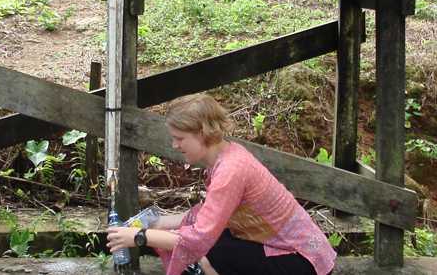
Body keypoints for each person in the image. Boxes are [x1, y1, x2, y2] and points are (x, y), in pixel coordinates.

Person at [105, 94, 337, 275]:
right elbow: (209, 215)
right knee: (208, 245)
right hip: (292, 250)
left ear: (202, 133)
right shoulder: (227, 155)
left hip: (303, 261)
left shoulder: (230, 170)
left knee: (208, 252)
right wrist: (157, 222)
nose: (174, 145)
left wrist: (139, 236)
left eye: (179, 138)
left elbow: (197, 239)